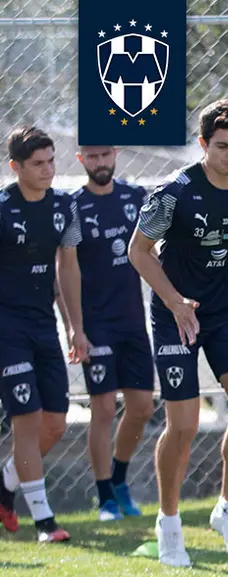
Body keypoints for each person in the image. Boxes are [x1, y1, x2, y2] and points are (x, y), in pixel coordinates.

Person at [128, 100, 228, 566]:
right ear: (203, 144)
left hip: (226, 312)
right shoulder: (173, 191)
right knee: (184, 424)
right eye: (223, 147)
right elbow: (139, 251)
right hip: (175, 313)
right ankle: (169, 524)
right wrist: (174, 301)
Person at [0, 126, 89, 542]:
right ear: (15, 166)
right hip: (6, 327)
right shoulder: (1, 207)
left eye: (52, 161)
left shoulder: (64, 207)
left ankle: (4, 487)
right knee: (27, 419)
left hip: (43, 326)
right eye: (38, 164)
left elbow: (67, 266)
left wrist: (76, 327)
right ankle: (44, 522)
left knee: (55, 423)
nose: (48, 170)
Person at [68, 146, 154, 521]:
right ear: (80, 159)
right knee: (103, 409)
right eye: (92, 157)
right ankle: (104, 497)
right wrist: (76, 328)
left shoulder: (136, 197)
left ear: (115, 153)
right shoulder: (72, 207)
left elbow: (157, 249)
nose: (100, 162)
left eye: (105, 154)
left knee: (141, 407)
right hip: (96, 324)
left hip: (133, 321)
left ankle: (119, 479)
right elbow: (66, 270)